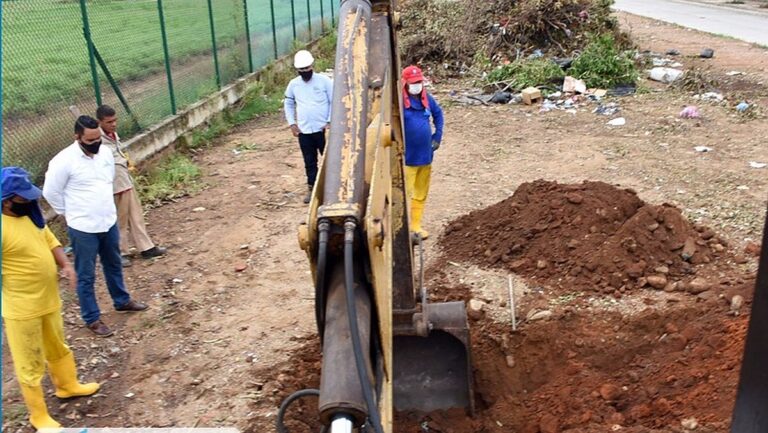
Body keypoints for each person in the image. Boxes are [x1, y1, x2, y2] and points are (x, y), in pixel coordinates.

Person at [2, 167, 100, 430]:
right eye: (22, 198)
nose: (29, 202)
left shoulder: (31, 217)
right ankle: (39, 417)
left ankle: (67, 385)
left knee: (58, 345)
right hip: (22, 309)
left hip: (48, 300)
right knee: (29, 361)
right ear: (7, 199)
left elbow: (51, 241)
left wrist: (65, 266)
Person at [43, 115, 148, 337]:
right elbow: (50, 192)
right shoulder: (63, 161)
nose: (95, 143)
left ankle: (121, 300)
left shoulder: (105, 154)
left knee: (114, 264)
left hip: (108, 221)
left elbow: (107, 181)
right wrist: (68, 214)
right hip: (83, 228)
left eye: (97, 138)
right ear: (77, 137)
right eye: (90, 140)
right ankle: (91, 318)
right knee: (86, 275)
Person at [96, 104, 166, 267]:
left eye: (115, 120)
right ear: (99, 122)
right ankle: (120, 252)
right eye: (109, 122)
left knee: (136, 215)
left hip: (125, 180)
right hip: (115, 184)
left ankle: (146, 247)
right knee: (120, 219)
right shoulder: (96, 139)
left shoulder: (112, 134)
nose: (113, 124)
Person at [284, 49, 333, 204]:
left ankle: (331, 188)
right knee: (309, 161)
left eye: (307, 68)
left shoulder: (324, 81)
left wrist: (330, 121)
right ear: (297, 70)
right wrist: (292, 123)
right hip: (305, 130)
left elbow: (334, 101)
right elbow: (289, 103)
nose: (305, 72)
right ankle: (312, 189)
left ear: (312, 65)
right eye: (301, 70)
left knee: (329, 159)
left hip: (323, 129)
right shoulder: (294, 85)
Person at [401, 65, 444, 240]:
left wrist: (437, 136)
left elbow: (438, 114)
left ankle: (416, 226)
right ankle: (402, 230)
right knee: (405, 194)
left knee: (420, 193)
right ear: (405, 83)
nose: (417, 85)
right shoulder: (400, 103)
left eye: (419, 82)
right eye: (413, 83)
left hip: (425, 156)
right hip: (408, 159)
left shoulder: (427, 99)